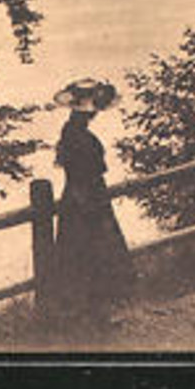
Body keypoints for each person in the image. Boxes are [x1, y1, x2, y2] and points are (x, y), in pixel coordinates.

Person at [50, 77, 135, 334]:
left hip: (81, 199)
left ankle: (93, 318)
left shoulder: (74, 132)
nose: (93, 115)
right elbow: (85, 172)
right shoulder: (78, 136)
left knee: (86, 258)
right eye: (91, 111)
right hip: (85, 201)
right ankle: (89, 320)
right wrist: (92, 205)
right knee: (90, 256)